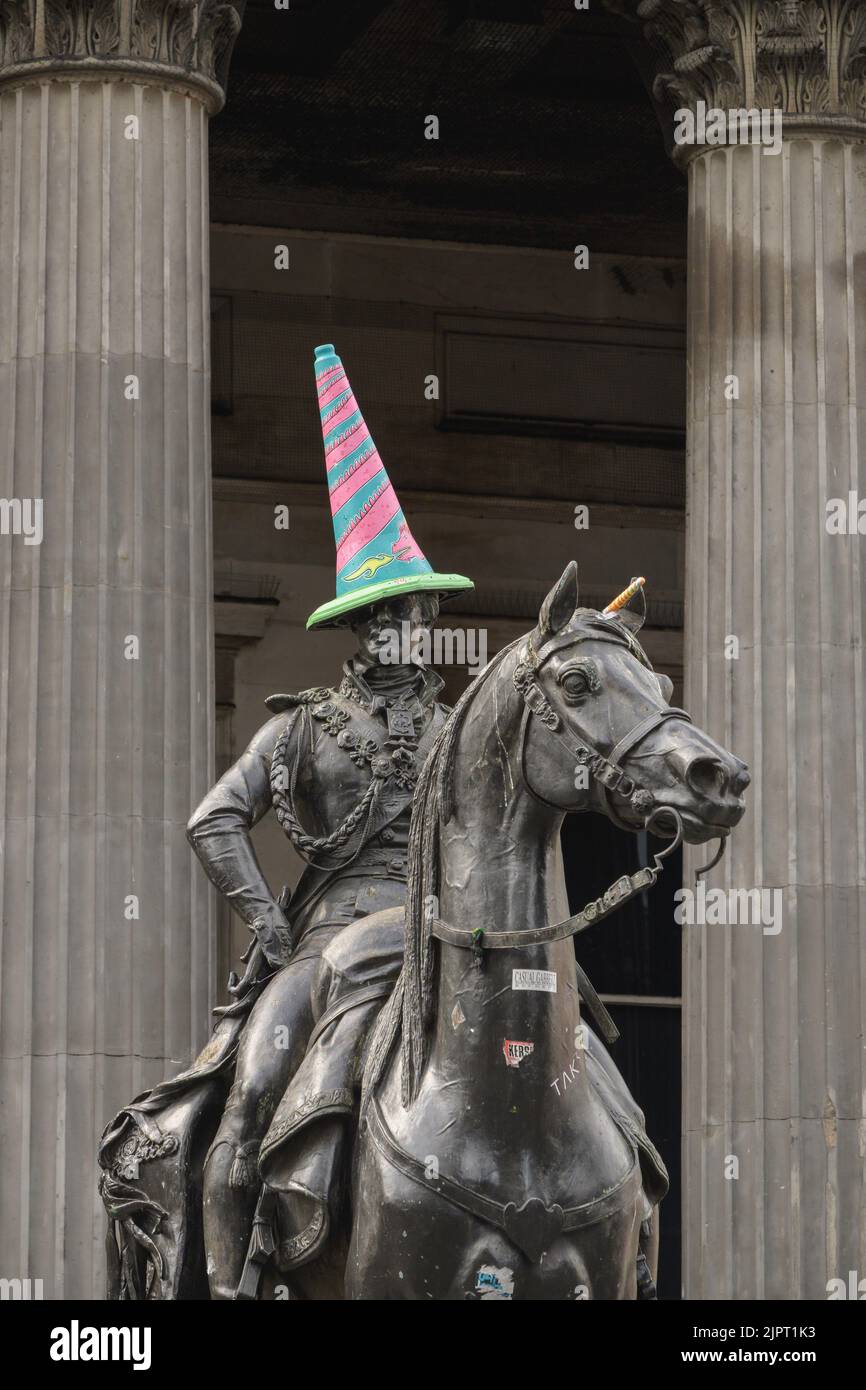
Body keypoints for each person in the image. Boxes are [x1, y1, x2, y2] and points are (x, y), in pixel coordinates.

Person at [98, 345, 473, 1300]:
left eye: (412, 607)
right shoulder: (301, 724)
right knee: (252, 1098)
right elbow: (213, 820)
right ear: (357, 626)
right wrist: (268, 920)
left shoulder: (461, 731)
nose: (401, 624)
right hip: (328, 939)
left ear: (429, 612)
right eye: (382, 612)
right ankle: (226, 1286)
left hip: (441, 933)